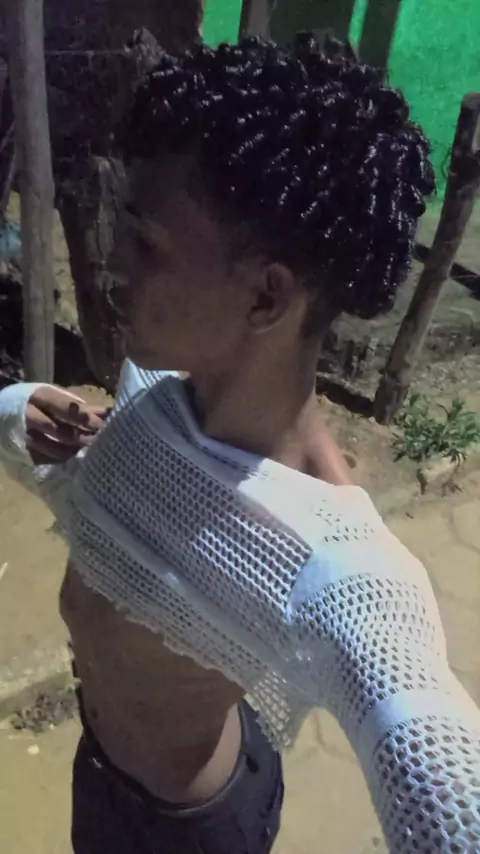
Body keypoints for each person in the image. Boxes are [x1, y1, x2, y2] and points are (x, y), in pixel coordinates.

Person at [1, 36, 480, 854]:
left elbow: (436, 762)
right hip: (103, 766)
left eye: (146, 244)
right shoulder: (152, 391)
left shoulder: (337, 571)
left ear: (266, 297)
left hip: (186, 831)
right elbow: (119, 504)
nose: (111, 265)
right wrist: (24, 414)